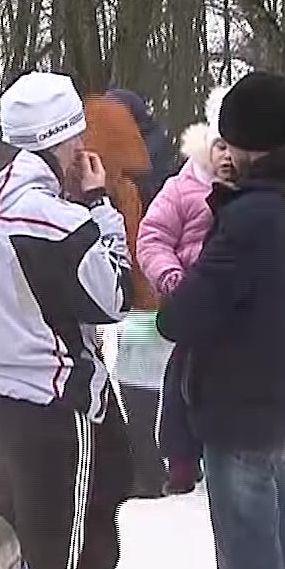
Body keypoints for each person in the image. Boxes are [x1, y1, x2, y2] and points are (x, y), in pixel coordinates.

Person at [154, 72, 285, 569]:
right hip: (281, 407)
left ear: (246, 144)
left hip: (238, 413)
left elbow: (184, 317)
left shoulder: (253, 216)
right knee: (277, 558)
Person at [0, 74, 133, 569]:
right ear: (63, 143)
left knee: (12, 564)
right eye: (76, 142)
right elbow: (113, 297)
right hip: (53, 417)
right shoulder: (57, 220)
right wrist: (98, 208)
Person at [140, 120, 285, 494]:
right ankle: (181, 459)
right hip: (197, 289)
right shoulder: (183, 191)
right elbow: (152, 237)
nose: (225, 155)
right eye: (217, 147)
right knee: (181, 376)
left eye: (230, 146)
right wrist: (169, 275)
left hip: (256, 305)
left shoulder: (267, 196)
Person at [82, 85, 166, 497]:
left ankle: (147, 472)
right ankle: (174, 460)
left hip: (145, 291)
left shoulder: (120, 177)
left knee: (136, 377)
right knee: (159, 376)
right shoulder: (158, 158)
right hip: (165, 286)